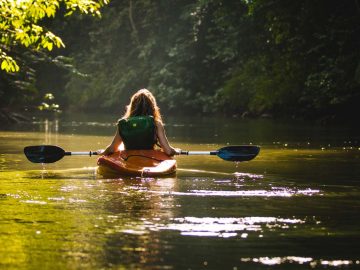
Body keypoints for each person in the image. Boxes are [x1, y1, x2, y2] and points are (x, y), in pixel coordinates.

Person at [99, 89, 179, 156]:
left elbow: (112, 149)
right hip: (149, 159)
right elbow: (168, 151)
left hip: (128, 159)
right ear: (152, 107)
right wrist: (176, 151)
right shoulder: (156, 124)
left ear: (132, 106)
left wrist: (102, 152)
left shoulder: (124, 123)